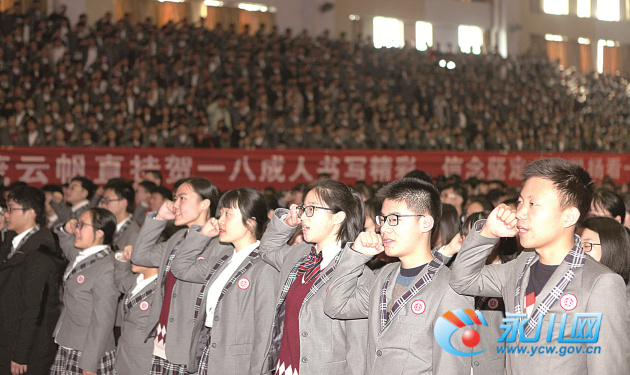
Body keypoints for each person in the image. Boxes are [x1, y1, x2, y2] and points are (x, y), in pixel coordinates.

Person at [450, 158, 630, 374]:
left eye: (533, 204)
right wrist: (487, 233)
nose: (520, 213)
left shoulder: (600, 283)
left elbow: (608, 368)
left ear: (569, 216)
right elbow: (462, 279)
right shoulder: (519, 268)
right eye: (520, 202)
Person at [323, 178, 472, 375]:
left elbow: (451, 368)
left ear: (425, 223)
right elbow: (336, 306)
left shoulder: (451, 289)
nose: (384, 228)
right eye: (383, 219)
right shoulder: (383, 276)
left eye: (394, 219)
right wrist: (355, 256)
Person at [259, 180, 368, 375]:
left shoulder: (355, 271)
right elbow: (267, 249)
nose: (303, 217)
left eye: (311, 209)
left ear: (338, 217)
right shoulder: (299, 255)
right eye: (303, 209)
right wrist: (286, 224)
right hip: (284, 368)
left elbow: (358, 348)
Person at [170, 188, 279, 374]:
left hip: (236, 365)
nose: (220, 220)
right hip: (208, 354)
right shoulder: (223, 260)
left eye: (228, 214)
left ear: (251, 223)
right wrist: (202, 235)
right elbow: (180, 268)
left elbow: (265, 331)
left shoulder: (264, 265)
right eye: (221, 213)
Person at [130, 177, 232, 375]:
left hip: (187, 345)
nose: (175, 205)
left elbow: (185, 271)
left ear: (205, 203)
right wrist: (159, 218)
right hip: (162, 337)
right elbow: (139, 256)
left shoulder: (220, 245)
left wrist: (201, 235)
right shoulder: (178, 238)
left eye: (182, 198)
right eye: (174, 198)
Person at [0, 186, 65, 375]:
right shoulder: (13, 241)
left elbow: (35, 307)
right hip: (8, 336)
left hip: (26, 347)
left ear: (30, 213)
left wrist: (22, 353)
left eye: (11, 209)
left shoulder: (40, 250)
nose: (6, 214)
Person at [51, 208, 119, 375]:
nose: (77, 230)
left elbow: (103, 321)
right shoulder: (84, 255)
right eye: (77, 224)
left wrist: (90, 362)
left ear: (99, 233)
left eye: (82, 225)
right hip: (70, 341)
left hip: (87, 350)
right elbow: (66, 243)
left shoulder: (107, 268)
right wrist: (65, 229)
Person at [113, 244, 159, 375]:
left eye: (139, 252)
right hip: (125, 354)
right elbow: (120, 282)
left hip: (143, 360)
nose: (134, 256)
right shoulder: (136, 280)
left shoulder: (161, 288)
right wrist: (123, 257)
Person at [579, 216, 630, 285]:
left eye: (586, 246)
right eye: (575, 243)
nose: (577, 249)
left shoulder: (610, 286)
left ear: (611, 249)